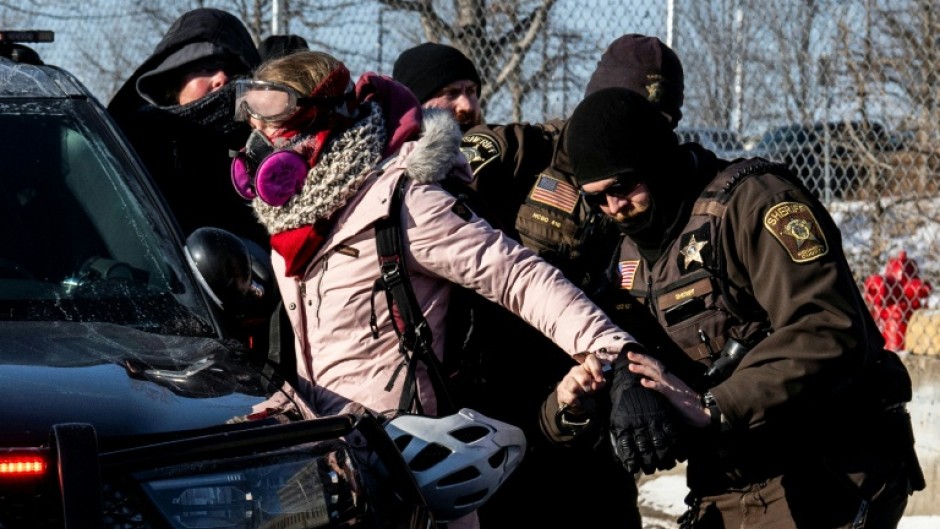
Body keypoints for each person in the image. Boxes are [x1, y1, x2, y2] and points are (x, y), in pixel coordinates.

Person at [229, 50, 659, 529]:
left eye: (274, 139)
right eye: (256, 138)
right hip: (336, 478)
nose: (259, 154)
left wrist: (616, 353)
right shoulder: (295, 227)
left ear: (320, 133)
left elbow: (521, 277)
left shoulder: (405, 203)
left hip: (413, 482)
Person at [542, 86, 926, 529]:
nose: (615, 208)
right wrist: (583, 400)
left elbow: (828, 327)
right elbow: (617, 350)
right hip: (731, 476)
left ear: (656, 160)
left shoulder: (754, 204)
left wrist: (715, 405)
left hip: (828, 463)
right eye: (596, 198)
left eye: (624, 186)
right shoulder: (627, 254)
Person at [459, 34, 686, 529]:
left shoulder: (674, 192)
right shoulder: (521, 154)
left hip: (602, 409)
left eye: (656, 128)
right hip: (506, 408)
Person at [107, 7, 268, 247]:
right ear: (173, 80)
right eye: (204, 68)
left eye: (233, 70)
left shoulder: (266, 148)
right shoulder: (135, 150)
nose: (221, 78)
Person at [392, 42, 483, 131]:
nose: (467, 106)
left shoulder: (493, 141)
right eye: (452, 93)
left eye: (470, 91)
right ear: (418, 105)